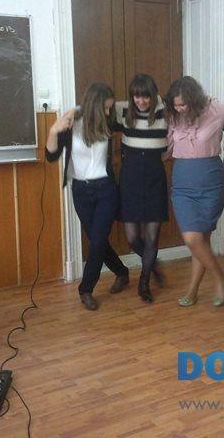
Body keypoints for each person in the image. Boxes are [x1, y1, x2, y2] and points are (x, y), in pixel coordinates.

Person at [45, 83, 129, 311]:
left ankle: (86, 289)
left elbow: (131, 108)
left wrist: (158, 101)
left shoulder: (108, 122)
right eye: (106, 107)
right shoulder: (72, 125)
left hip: (106, 190)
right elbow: (51, 156)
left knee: (98, 240)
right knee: (96, 240)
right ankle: (122, 272)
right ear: (94, 106)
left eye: (110, 107)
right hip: (81, 191)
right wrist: (53, 131)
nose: (109, 112)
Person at [165, 76, 224, 307]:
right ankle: (220, 277)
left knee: (201, 239)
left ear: (194, 100)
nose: (179, 109)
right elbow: (166, 148)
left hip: (211, 181)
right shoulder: (172, 116)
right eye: (175, 105)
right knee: (192, 238)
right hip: (183, 184)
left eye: (183, 104)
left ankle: (193, 291)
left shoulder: (216, 109)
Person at [113, 74, 168, 303]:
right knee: (132, 238)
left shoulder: (166, 112)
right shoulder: (123, 111)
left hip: (155, 177)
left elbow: (192, 109)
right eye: (137, 96)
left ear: (153, 95)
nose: (141, 101)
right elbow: (96, 108)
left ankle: (144, 283)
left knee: (152, 237)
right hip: (130, 178)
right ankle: (152, 264)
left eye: (146, 96)